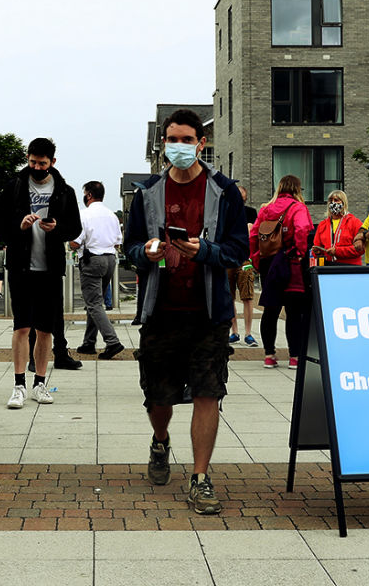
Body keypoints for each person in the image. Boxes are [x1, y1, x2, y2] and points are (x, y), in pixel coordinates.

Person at [124, 108, 248, 515]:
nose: (179, 146)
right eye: (172, 139)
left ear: (201, 143)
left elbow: (239, 250)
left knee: (208, 393)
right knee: (158, 397)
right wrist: (145, 251)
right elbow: (129, 248)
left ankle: (200, 476)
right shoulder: (147, 193)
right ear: (163, 143)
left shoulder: (224, 191)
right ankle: (160, 440)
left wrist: (206, 251)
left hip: (208, 314)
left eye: (187, 140)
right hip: (161, 311)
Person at [0, 137, 83, 408]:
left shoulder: (64, 191)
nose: (36, 167)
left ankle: (40, 383)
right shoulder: (14, 187)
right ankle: (19, 384)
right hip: (21, 267)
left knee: (46, 329)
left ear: (52, 162)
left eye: (42, 163)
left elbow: (75, 228)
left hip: (50, 268)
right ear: (28, 158)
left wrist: (57, 228)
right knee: (21, 326)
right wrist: (19, 226)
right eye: (32, 162)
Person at [251, 175, 312, 369]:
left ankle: (269, 355)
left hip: (269, 265)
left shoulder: (266, 209)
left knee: (270, 311)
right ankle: (294, 356)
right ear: (297, 189)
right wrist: (300, 253)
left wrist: (257, 259)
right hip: (291, 264)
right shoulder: (298, 208)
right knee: (294, 312)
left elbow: (253, 235)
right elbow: (302, 230)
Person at [71, 181, 124, 359]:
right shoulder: (112, 215)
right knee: (95, 303)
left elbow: (75, 242)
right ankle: (89, 342)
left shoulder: (84, 214)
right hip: (110, 259)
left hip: (92, 259)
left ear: (89, 195)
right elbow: (118, 242)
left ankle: (112, 341)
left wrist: (69, 241)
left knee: (93, 303)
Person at [227, 184, 259, 346]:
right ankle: (234, 332)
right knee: (229, 296)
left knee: (247, 296)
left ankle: (248, 333)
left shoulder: (250, 212)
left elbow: (252, 232)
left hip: (245, 259)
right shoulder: (225, 212)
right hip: (228, 258)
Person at [310, 190, 363, 267]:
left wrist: (337, 251)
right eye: (330, 200)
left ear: (343, 202)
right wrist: (317, 252)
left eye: (336, 200)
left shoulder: (354, 222)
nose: (333, 203)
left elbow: (360, 249)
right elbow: (317, 248)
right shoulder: (322, 225)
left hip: (350, 267)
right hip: (328, 266)